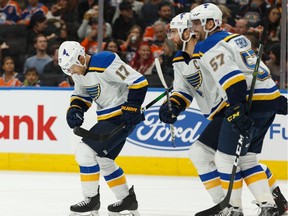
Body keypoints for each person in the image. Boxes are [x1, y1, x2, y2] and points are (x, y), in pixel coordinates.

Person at [159, 8, 287, 216]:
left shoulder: (210, 46)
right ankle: (264, 204)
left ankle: (234, 209)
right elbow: (184, 90)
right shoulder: (185, 56)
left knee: (227, 159)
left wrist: (237, 108)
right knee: (211, 155)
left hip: (239, 103)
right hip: (243, 103)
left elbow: (234, 78)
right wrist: (174, 105)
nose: (170, 36)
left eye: (175, 30)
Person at [58, 41, 148, 216]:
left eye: (71, 67)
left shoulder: (105, 61)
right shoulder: (78, 71)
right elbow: (81, 94)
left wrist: (132, 106)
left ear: (81, 57)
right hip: (107, 118)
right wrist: (76, 109)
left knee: (84, 152)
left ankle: (91, 200)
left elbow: (138, 81)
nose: (71, 72)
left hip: (121, 117)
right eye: (66, 69)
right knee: (103, 160)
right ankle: (127, 200)